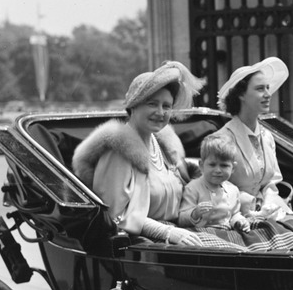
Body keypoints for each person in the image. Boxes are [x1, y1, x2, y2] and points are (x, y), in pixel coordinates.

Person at [206, 57, 293, 248]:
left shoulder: (266, 136)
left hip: (269, 212)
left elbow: (272, 181)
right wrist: (248, 203)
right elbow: (214, 187)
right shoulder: (222, 139)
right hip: (236, 219)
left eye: (268, 88)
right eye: (260, 89)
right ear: (240, 95)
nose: (268, 94)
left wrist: (269, 202)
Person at [72, 61, 206, 246]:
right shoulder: (118, 151)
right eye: (152, 104)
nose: (160, 112)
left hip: (181, 232)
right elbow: (114, 217)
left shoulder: (163, 146)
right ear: (133, 106)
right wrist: (168, 232)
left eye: (166, 106)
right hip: (144, 242)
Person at [179, 136, 251, 232]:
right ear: (201, 165)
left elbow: (234, 214)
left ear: (233, 168)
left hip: (226, 232)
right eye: (212, 165)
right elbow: (181, 219)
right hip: (201, 232)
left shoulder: (233, 190)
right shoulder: (193, 188)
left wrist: (240, 221)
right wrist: (195, 213)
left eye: (224, 165)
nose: (218, 170)